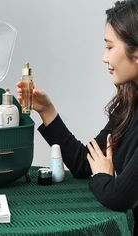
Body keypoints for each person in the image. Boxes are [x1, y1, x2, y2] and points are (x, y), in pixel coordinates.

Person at [17, 0, 138, 234]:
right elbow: (85, 163)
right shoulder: (130, 103)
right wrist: (47, 111)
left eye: (110, 47)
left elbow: (119, 197)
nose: (104, 57)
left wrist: (102, 175)